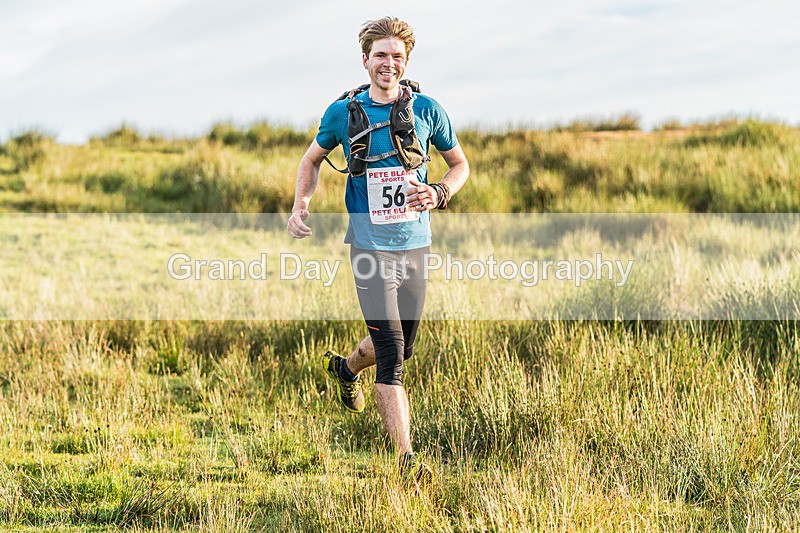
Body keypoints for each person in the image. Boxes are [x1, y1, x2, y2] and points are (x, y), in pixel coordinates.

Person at [287, 16, 469, 472]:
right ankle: (407, 459)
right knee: (392, 356)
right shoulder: (342, 114)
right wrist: (300, 204)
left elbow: (460, 165)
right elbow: (311, 160)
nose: (389, 64)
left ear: (406, 63)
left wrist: (440, 191)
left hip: (416, 244)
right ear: (365, 59)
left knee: (405, 346)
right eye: (381, 55)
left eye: (397, 57)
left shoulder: (428, 109)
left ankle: (346, 369)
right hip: (368, 248)